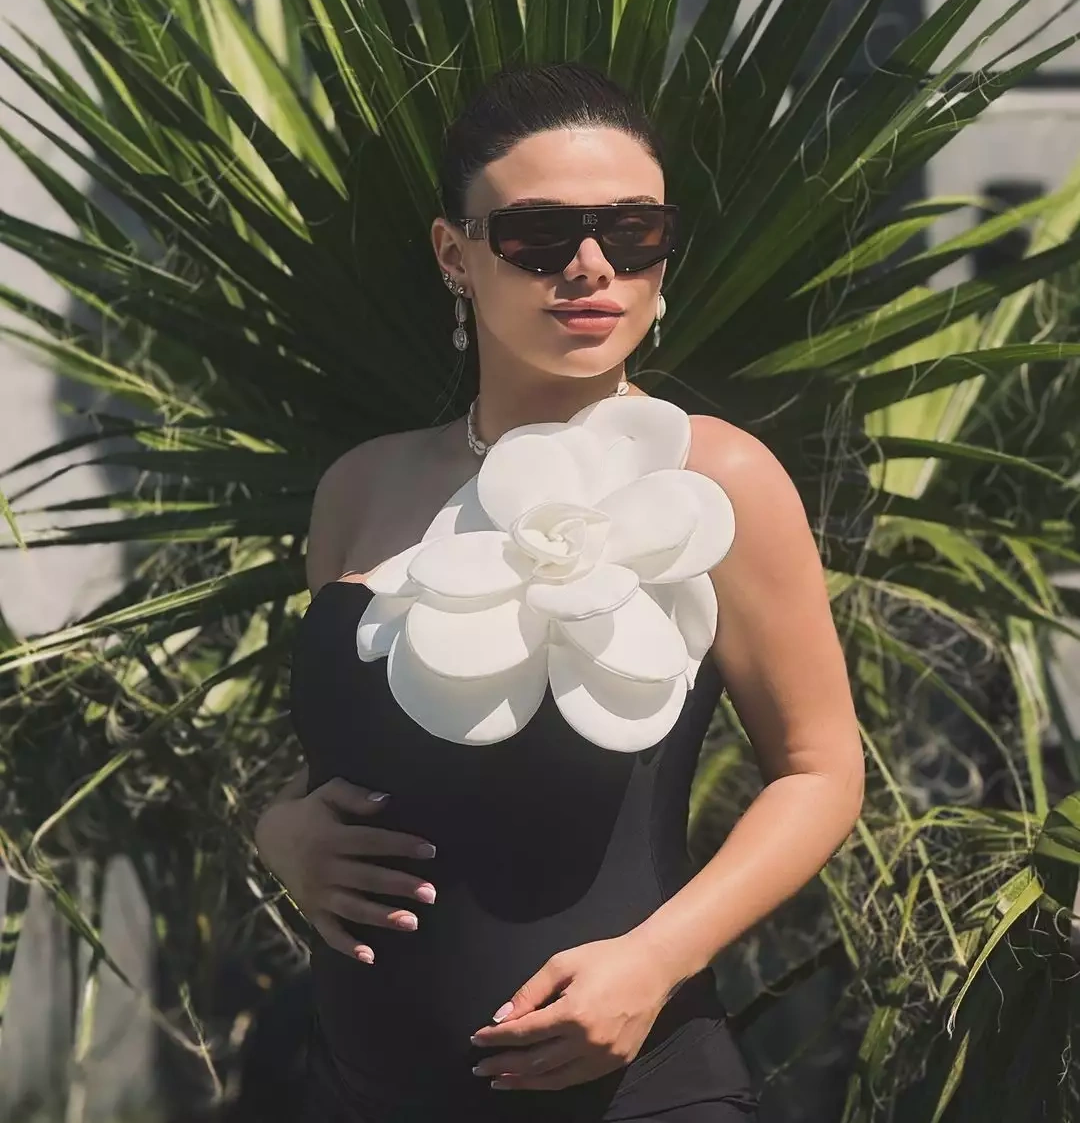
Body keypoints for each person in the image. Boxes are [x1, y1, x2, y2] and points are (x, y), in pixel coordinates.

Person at [254, 60, 865, 1122]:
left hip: (635, 1095)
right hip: (352, 1091)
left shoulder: (715, 476)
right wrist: (279, 833)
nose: (591, 267)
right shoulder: (361, 486)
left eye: (633, 232)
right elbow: (358, 762)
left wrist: (655, 961)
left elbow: (820, 769)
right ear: (455, 255)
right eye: (538, 235)